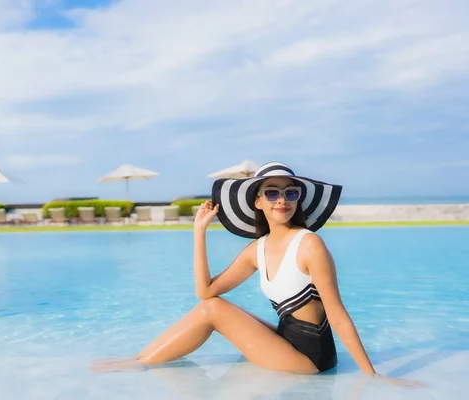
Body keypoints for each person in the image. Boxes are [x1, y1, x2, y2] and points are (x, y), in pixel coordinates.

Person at [91, 161, 423, 387]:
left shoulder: (310, 245)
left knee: (214, 311)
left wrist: (372, 375)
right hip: (285, 339)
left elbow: (337, 315)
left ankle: (144, 362)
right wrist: (199, 232)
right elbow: (205, 291)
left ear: (298, 200)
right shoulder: (257, 249)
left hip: (311, 358)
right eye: (273, 193)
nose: (282, 200)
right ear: (259, 202)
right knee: (212, 305)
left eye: (290, 192)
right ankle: (140, 356)